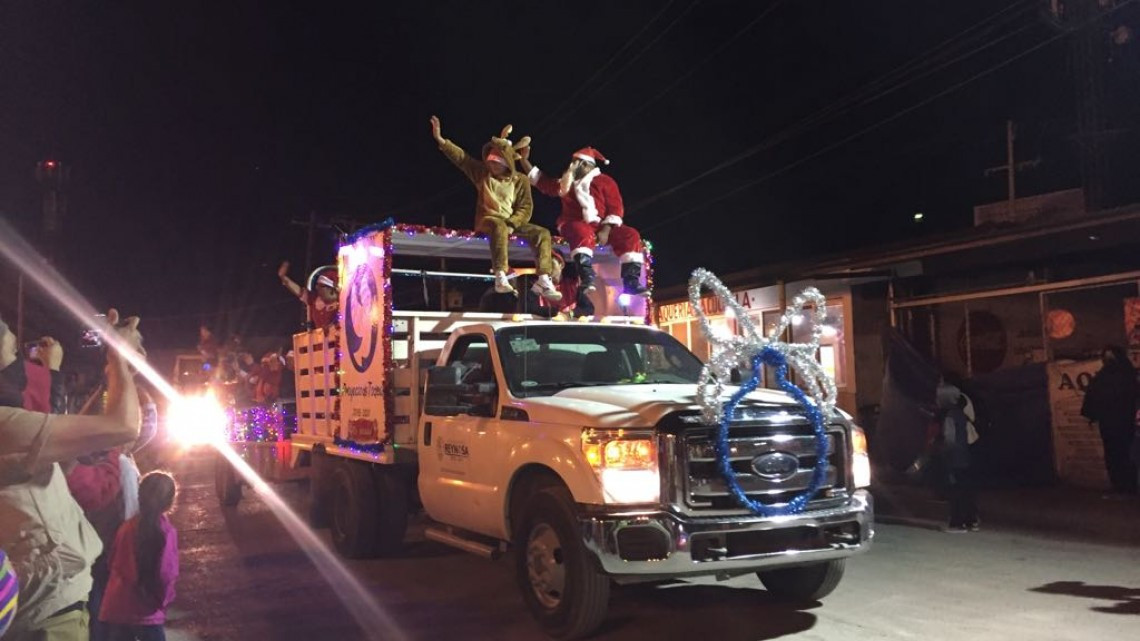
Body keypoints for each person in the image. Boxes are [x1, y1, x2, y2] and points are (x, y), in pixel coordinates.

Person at [0, 309, 144, 640]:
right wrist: (119, 359)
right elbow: (123, 426)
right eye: (12, 353)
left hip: (41, 610)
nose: (20, 361)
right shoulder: (6, 428)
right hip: (43, 620)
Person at [429, 115, 561, 303]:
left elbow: (525, 207)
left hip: (511, 222)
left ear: (506, 163)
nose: (491, 166)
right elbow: (463, 159)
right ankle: (500, 275)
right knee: (498, 227)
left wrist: (513, 223)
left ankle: (544, 279)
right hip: (488, 220)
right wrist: (441, 140)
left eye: (496, 163)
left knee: (542, 232)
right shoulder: (482, 174)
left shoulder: (520, 180)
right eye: (489, 162)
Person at [519, 144, 649, 317]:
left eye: (576, 162)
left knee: (631, 235)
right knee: (580, 232)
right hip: (574, 223)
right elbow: (541, 181)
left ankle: (631, 281)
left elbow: (615, 208)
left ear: (586, 165)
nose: (572, 165)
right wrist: (524, 160)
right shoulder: (567, 184)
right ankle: (587, 277)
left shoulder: (605, 181)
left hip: (602, 225)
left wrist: (607, 229)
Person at [99, 471, 178, 641]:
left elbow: (113, 562)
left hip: (117, 607)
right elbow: (166, 575)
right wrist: (162, 601)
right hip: (147, 612)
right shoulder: (165, 531)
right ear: (170, 502)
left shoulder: (126, 528)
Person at [1081, 345, 1139, 495]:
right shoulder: (1118, 375)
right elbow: (1094, 396)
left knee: (1121, 455)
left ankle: (1126, 486)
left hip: (1121, 422)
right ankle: (1122, 486)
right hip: (1114, 423)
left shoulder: (1122, 376)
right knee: (1117, 454)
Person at [934, 378, 979, 532]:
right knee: (966, 488)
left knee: (954, 490)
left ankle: (956, 522)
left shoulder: (949, 417)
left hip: (954, 458)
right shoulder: (960, 413)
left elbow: (949, 439)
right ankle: (971, 520)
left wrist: (944, 454)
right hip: (965, 455)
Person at [278, 262, 340, 330]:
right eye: (318, 285)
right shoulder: (313, 298)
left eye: (321, 286)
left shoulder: (341, 302)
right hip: (320, 339)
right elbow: (298, 291)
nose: (317, 287)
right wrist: (283, 277)